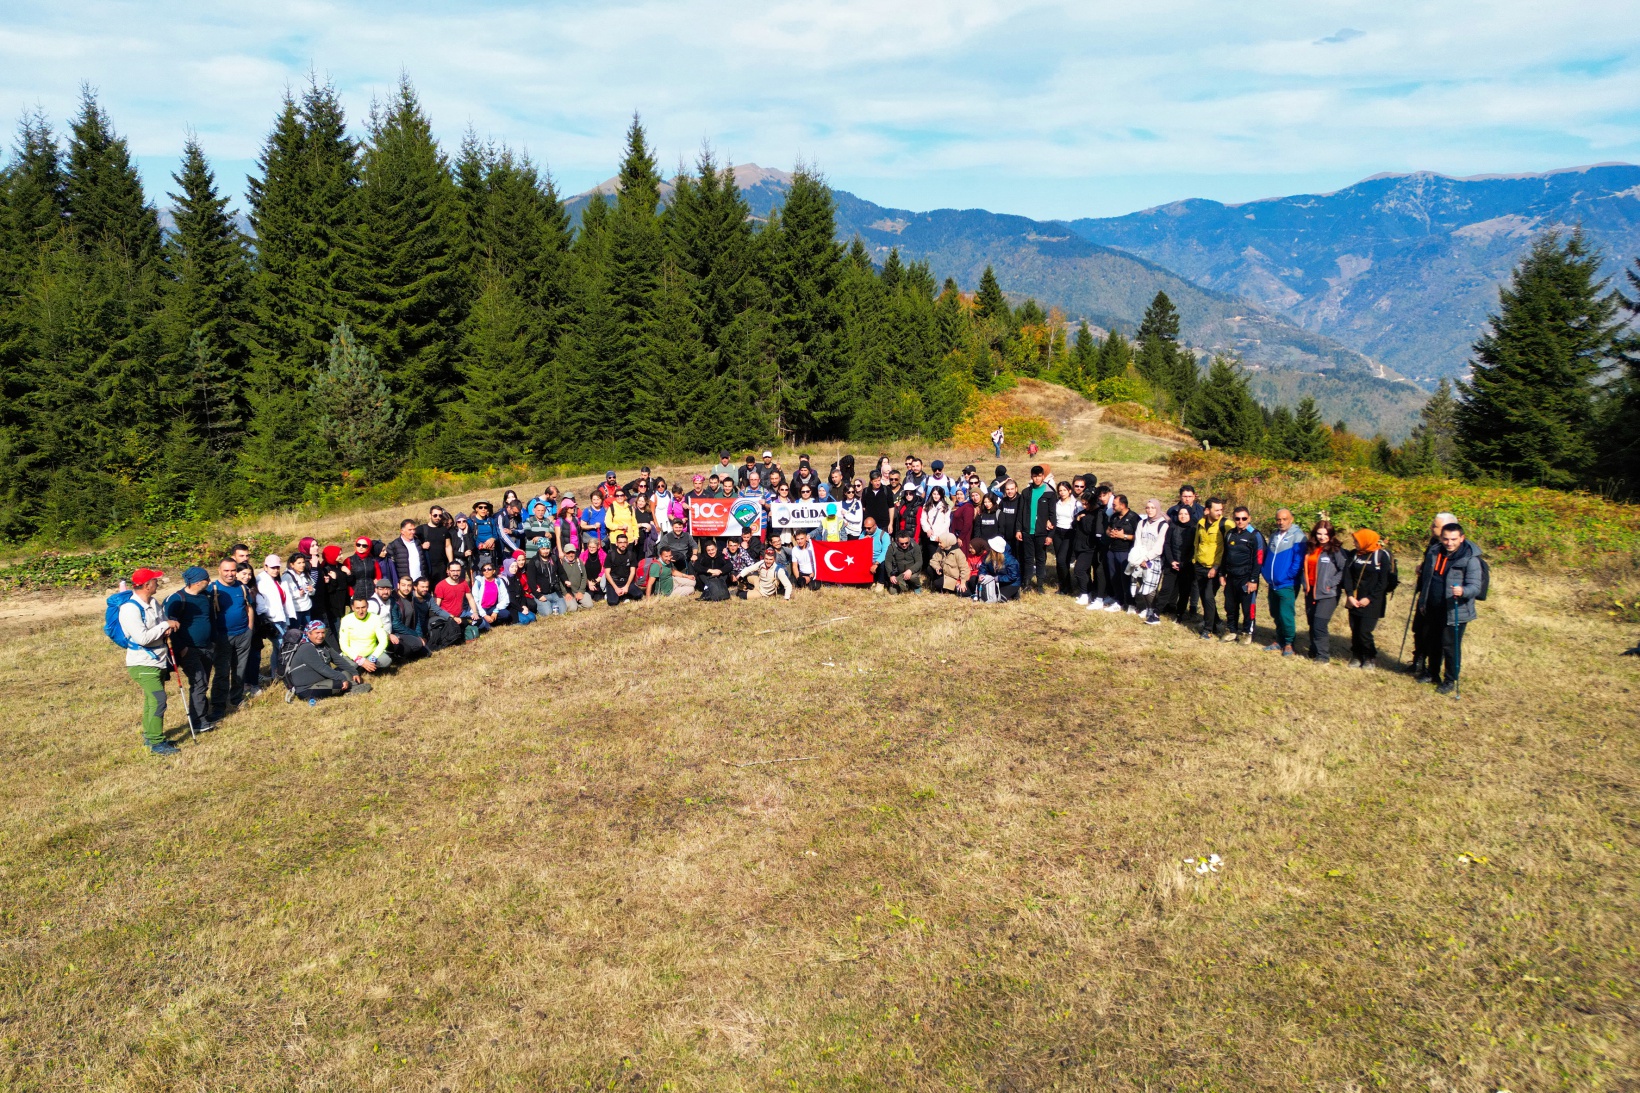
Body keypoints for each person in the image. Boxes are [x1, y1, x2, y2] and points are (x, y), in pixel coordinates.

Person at [118, 567, 181, 754]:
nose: (158, 583)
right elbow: (142, 638)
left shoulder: (154, 603)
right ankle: (156, 742)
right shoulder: (130, 609)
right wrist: (165, 625)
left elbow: (161, 627)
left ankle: (150, 735)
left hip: (159, 660)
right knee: (159, 699)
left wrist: (166, 628)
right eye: (155, 580)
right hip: (142, 663)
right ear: (147, 585)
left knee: (151, 700)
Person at [1427, 522, 1483, 696]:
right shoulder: (1434, 552)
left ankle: (1450, 680)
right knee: (1433, 643)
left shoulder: (1471, 559)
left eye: (1453, 539)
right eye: (1445, 539)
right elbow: (1429, 580)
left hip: (1455, 610)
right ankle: (1432, 673)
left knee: (1450, 647)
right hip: (1433, 607)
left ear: (1461, 538)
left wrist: (1463, 591)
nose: (1449, 543)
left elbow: (1476, 587)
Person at [163, 566, 219, 733]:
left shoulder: (205, 596)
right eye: (207, 580)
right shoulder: (177, 600)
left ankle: (202, 714)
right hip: (189, 649)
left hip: (207, 646)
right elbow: (169, 629)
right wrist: (182, 649)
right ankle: (199, 721)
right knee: (199, 681)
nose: (209, 582)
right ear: (198, 582)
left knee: (203, 682)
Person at [1411, 512, 1460, 682]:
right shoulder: (1433, 546)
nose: (1431, 528)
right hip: (1428, 598)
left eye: (1435, 525)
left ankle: (1445, 676)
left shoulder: (1462, 553)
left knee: (1444, 641)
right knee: (1422, 631)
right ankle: (1422, 664)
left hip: (1447, 604)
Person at [208, 557, 256, 717]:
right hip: (222, 637)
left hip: (243, 635)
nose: (230, 574)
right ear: (219, 571)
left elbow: (249, 608)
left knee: (240, 670)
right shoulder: (212, 590)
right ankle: (218, 706)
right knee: (222, 672)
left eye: (233, 570)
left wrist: (249, 629)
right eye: (226, 570)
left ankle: (236, 699)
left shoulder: (242, 588)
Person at [285, 619, 370, 702]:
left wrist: (354, 672)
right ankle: (350, 690)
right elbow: (322, 668)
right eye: (317, 633)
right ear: (308, 633)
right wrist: (342, 679)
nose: (321, 636)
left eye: (323, 632)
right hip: (307, 689)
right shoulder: (306, 648)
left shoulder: (322, 643)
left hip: (322, 680)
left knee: (347, 673)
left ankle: (349, 686)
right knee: (340, 683)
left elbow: (338, 659)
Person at [1344, 528, 1392, 669]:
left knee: (1365, 631)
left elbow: (1383, 582)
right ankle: (1357, 655)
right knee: (1355, 628)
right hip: (1355, 599)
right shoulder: (1354, 555)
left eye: (1357, 541)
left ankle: (1370, 656)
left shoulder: (1381, 556)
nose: (1354, 543)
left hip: (1373, 601)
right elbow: (1347, 576)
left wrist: (1369, 598)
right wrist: (1350, 595)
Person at [1260, 509, 1306, 656]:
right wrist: (1265, 571)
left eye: (1284, 519)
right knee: (1275, 613)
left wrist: (1288, 576)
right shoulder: (1274, 535)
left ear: (1291, 519)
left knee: (1286, 614)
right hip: (1272, 583)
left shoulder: (1298, 537)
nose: (1281, 522)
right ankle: (1279, 640)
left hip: (1287, 584)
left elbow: (1298, 561)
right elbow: (1268, 556)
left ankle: (1289, 643)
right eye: (1278, 519)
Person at [1301, 519, 1345, 663]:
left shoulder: (1335, 550)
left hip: (1328, 593)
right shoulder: (1311, 548)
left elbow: (1344, 570)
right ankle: (1314, 650)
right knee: (1312, 622)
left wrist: (1331, 584)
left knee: (1320, 624)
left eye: (1325, 534)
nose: (1322, 537)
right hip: (1311, 590)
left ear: (1331, 535)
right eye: (1319, 534)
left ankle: (1323, 656)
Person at [1220, 506, 1265, 643]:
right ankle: (1232, 630)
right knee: (1230, 606)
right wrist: (1222, 574)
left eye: (1244, 518)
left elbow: (1259, 560)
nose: (1240, 521)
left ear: (1249, 519)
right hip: (1231, 578)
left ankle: (1247, 632)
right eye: (1237, 518)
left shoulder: (1255, 535)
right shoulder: (1230, 534)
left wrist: (1253, 579)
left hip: (1247, 579)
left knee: (1247, 608)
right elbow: (1225, 555)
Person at [255, 553, 297, 682]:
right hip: (272, 619)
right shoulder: (261, 579)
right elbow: (260, 601)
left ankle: (276, 674)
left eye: (277, 567)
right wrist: (268, 617)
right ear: (265, 566)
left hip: (282, 617)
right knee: (282, 646)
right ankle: (284, 673)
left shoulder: (278, 579)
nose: (275, 570)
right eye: (272, 567)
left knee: (278, 648)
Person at [1127, 500, 1169, 624]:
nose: (1150, 510)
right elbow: (1138, 541)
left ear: (1157, 509)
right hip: (1140, 557)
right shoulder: (1142, 523)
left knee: (1150, 587)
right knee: (1141, 582)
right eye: (1147, 508)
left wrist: (1147, 558)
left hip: (1153, 559)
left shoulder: (1163, 525)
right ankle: (1146, 607)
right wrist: (1140, 558)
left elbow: (1159, 545)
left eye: (1152, 508)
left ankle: (1152, 609)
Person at [1194, 498, 1227, 639]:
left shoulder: (1226, 524)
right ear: (1207, 510)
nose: (1220, 513)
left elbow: (1225, 548)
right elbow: (1197, 543)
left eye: (1221, 510)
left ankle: (1208, 629)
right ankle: (1215, 622)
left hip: (1214, 568)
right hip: (1199, 566)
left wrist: (1217, 567)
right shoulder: (1200, 523)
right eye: (1217, 510)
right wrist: (1195, 560)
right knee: (1205, 597)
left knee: (1208, 596)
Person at [1018, 466, 1055, 593]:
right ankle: (1027, 583)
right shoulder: (1026, 492)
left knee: (1040, 559)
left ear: (1043, 476)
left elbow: (1052, 515)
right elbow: (1021, 513)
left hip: (1041, 533)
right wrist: (1019, 529)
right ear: (1031, 477)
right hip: (1028, 531)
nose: (1037, 478)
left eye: (1039, 476)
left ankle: (1040, 584)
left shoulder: (1049, 493)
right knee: (1028, 558)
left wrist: (1050, 534)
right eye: (1034, 476)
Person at [1102, 494, 1139, 612]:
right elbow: (1107, 529)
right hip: (1112, 550)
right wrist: (1110, 533)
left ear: (1122, 505)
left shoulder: (1134, 518)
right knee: (1114, 577)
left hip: (1125, 552)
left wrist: (1124, 536)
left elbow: (1139, 537)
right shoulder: (1114, 517)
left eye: (1114, 505)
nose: (1112, 506)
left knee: (1126, 579)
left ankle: (1131, 602)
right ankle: (1118, 600)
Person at [340, 597, 394, 673]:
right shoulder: (346, 620)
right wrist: (360, 660)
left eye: (363, 607)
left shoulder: (375, 618)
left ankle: (369, 666)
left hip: (370, 654)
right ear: (352, 608)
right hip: (352, 655)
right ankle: (359, 666)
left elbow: (383, 641)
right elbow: (343, 645)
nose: (361, 611)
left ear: (367, 606)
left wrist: (373, 657)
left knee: (386, 661)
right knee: (348, 670)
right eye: (357, 608)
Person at [388, 575, 430, 661]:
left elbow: (417, 620)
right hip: (397, 634)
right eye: (403, 585)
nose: (406, 588)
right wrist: (416, 636)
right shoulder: (393, 600)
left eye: (409, 585)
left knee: (426, 652)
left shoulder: (412, 598)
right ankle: (396, 655)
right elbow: (396, 625)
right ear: (398, 585)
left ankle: (406, 652)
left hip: (409, 633)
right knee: (417, 644)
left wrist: (420, 636)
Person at [1048, 480, 1078, 595]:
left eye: (1064, 490)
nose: (1062, 492)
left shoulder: (1076, 504)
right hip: (1057, 532)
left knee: (1061, 560)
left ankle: (1067, 586)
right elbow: (1051, 515)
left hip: (1069, 532)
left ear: (1069, 491)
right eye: (1060, 490)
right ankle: (1063, 586)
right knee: (1060, 562)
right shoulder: (1056, 502)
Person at [388, 518, 430, 589]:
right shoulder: (394, 545)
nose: (413, 532)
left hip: (419, 583)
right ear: (402, 531)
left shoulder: (418, 542)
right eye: (410, 530)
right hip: (405, 584)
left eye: (414, 529)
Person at [974, 536, 1020, 602]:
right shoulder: (988, 556)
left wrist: (998, 578)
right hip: (996, 581)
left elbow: (1013, 576)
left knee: (1000, 599)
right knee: (990, 595)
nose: (989, 548)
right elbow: (983, 567)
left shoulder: (1011, 560)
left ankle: (1015, 592)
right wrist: (981, 574)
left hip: (1012, 583)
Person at [602, 531, 640, 606]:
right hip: (614, 582)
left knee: (638, 595)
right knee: (613, 602)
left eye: (624, 542)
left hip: (626, 581)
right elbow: (607, 573)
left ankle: (624, 594)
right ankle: (611, 593)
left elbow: (632, 572)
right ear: (616, 543)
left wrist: (626, 586)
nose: (622, 544)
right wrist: (616, 588)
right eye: (620, 542)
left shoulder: (631, 555)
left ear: (627, 543)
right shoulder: (610, 555)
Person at [471, 560, 513, 628]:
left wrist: (495, 612)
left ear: (493, 571)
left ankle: (492, 620)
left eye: (489, 569)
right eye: (484, 570)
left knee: (506, 614)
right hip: (480, 608)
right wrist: (484, 615)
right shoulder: (478, 582)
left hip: (492, 608)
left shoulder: (499, 581)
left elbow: (506, 598)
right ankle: (486, 622)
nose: (486, 571)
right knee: (483, 626)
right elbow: (475, 601)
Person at [885, 529, 923, 594]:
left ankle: (917, 586)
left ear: (909, 540)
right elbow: (888, 561)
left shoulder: (915, 546)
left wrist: (910, 570)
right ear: (897, 541)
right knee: (892, 592)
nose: (904, 545)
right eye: (902, 543)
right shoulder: (892, 547)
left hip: (912, 572)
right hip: (898, 572)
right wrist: (891, 575)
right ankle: (906, 586)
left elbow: (919, 562)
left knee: (913, 578)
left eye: (906, 543)